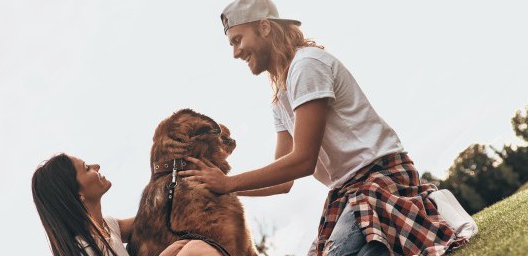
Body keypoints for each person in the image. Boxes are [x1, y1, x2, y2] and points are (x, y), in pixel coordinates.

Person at [180, 0, 466, 255]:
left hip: (381, 179)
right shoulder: (280, 98)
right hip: (347, 194)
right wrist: (218, 188)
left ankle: (418, 210)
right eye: (232, 43)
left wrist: (228, 183)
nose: (235, 52)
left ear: (264, 28)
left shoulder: (306, 66)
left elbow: (303, 161)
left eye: (238, 39)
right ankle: (410, 223)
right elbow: (283, 180)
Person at [31, 153, 220, 256]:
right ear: (78, 193)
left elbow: (157, 218)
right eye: (87, 168)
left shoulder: (107, 227)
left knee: (191, 247)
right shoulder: (83, 250)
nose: (97, 166)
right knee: (194, 250)